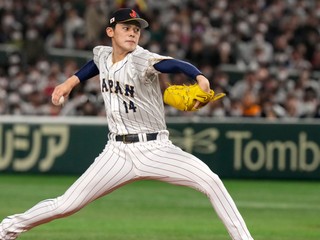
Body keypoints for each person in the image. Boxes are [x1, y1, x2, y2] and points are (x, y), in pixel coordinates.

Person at [0, 8, 254, 240]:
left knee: (211, 181)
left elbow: (171, 64)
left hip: (156, 149)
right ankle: (7, 229)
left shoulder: (140, 59)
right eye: (126, 28)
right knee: (67, 205)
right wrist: (69, 83)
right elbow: (93, 66)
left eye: (136, 29)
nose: (132, 33)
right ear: (111, 32)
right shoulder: (103, 54)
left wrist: (197, 75)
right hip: (117, 152)